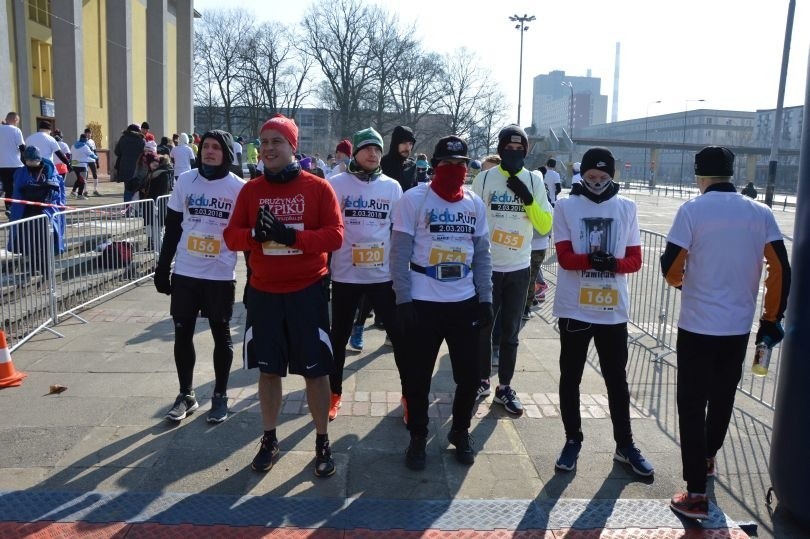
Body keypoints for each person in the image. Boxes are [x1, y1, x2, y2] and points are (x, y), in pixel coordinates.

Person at [661, 146, 790, 520]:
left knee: (690, 403)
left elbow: (670, 266)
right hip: (737, 328)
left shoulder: (692, 210)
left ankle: (696, 492)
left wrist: (689, 284)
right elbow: (781, 268)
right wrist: (770, 318)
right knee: (722, 398)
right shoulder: (760, 212)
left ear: (700, 176)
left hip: (697, 325)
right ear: (731, 173)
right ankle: (708, 457)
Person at [223, 114, 343, 478]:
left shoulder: (318, 188)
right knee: (269, 371)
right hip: (264, 294)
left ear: (293, 146)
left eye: (278, 141)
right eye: (266, 142)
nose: (270, 148)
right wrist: (254, 236)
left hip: (307, 293)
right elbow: (231, 237)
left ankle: (322, 440)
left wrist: (293, 238)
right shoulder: (251, 190)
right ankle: (270, 438)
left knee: (316, 372)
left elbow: (335, 236)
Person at [390, 135, 493, 470]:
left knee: (469, 375)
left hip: (463, 301)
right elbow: (399, 252)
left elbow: (482, 256)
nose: (454, 170)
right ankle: (418, 436)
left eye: (460, 164)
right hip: (422, 302)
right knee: (417, 377)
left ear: (467, 168)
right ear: (434, 167)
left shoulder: (475, 204)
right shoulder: (414, 199)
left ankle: (460, 431)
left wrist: (486, 297)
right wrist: (403, 299)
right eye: (447, 164)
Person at [551, 147, 654, 478]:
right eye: (590, 177)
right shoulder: (566, 205)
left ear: (612, 176)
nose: (596, 183)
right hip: (575, 307)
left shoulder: (627, 207)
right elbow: (565, 257)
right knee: (571, 377)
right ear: (582, 175)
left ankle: (625, 446)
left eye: (603, 177)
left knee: (616, 380)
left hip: (611, 311)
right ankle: (572, 440)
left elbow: (635, 260)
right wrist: (590, 260)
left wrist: (613, 263)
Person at [153, 130, 245, 424]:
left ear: (226, 153)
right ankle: (186, 395)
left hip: (219, 274)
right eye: (206, 146)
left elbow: (246, 237)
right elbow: (174, 227)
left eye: (216, 147)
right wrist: (162, 266)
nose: (209, 151)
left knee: (222, 335)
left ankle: (219, 396)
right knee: (183, 334)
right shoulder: (185, 180)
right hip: (186, 272)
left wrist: (254, 278)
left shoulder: (238, 188)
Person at [471, 125, 553, 415]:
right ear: (501, 148)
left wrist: (527, 198)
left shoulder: (534, 179)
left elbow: (545, 225)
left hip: (519, 268)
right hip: (488, 268)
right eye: (509, 148)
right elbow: (473, 220)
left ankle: (504, 386)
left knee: (511, 332)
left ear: (526, 152)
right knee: (482, 328)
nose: (514, 153)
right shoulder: (484, 179)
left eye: (520, 150)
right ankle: (480, 380)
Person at [326, 126, 405, 421]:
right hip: (345, 275)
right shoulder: (336, 184)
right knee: (338, 337)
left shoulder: (392, 186)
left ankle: (408, 394)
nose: (373, 153)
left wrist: (401, 273)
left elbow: (399, 232)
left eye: (377, 149)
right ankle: (334, 392)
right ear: (355, 152)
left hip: (382, 277)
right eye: (367, 148)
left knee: (398, 335)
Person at [8, 147, 65, 279]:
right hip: (26, 212)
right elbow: (17, 191)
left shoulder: (50, 171)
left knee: (44, 241)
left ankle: (46, 270)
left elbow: (58, 192)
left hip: (45, 212)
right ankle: (34, 267)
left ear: (39, 160)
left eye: (34, 161)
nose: (31, 164)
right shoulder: (20, 172)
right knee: (28, 242)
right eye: (28, 162)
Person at [0, 112, 26, 216]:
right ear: (15, 119)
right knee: (18, 187)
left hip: (1, 165)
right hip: (15, 165)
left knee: (7, 188)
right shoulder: (16, 130)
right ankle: (17, 208)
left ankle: (9, 208)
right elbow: (22, 147)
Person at [113, 124, 146, 203]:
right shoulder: (141, 140)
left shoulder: (123, 138)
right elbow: (143, 153)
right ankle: (135, 208)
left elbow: (117, 152)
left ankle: (127, 209)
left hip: (124, 167)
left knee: (127, 188)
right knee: (137, 188)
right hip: (137, 167)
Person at [380, 125, 417, 192]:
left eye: (410, 144)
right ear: (395, 143)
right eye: (404, 143)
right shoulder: (382, 164)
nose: (408, 148)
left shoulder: (412, 166)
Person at [69, 134, 98, 199]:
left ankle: (73, 192)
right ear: (85, 139)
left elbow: (71, 155)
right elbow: (91, 155)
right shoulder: (85, 146)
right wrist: (96, 157)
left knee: (79, 179)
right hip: (82, 165)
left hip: (74, 165)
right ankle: (80, 195)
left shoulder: (73, 146)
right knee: (82, 180)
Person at [83, 128, 101, 196]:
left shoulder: (92, 141)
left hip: (92, 160)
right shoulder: (82, 141)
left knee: (95, 174)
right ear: (85, 134)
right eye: (86, 133)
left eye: (89, 133)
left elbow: (94, 151)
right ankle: (85, 191)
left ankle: (95, 190)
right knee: (85, 175)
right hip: (84, 160)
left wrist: (97, 161)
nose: (88, 134)